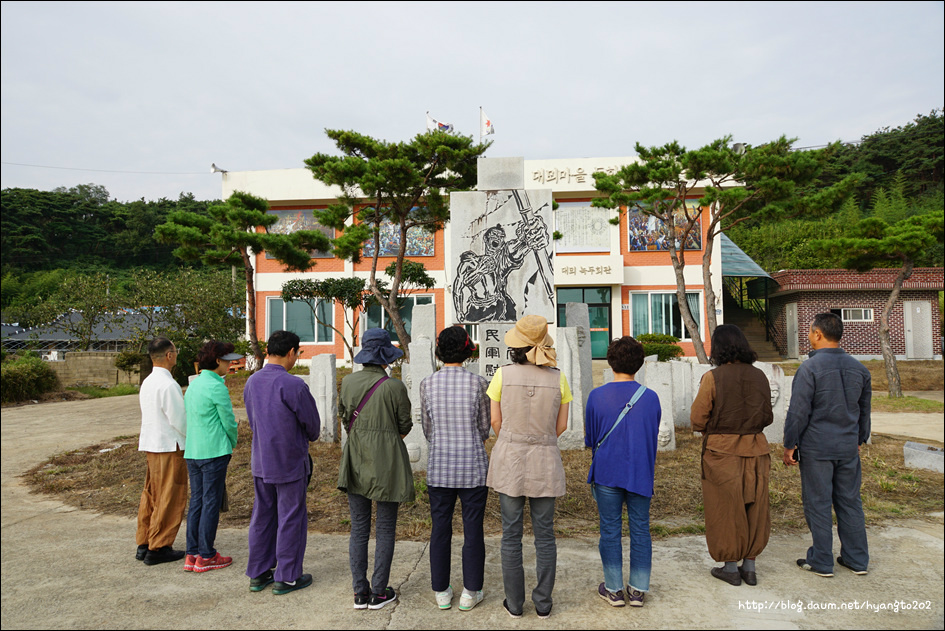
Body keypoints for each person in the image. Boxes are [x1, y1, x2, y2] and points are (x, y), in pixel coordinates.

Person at [486, 315, 571, 619]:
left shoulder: (502, 375)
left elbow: (496, 421)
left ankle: (514, 603)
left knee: (511, 535)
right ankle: (544, 603)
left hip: (510, 458)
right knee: (545, 535)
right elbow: (561, 426)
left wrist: (512, 440)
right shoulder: (559, 377)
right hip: (545, 459)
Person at [784, 312, 871, 577]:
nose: (809, 336)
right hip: (847, 447)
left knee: (818, 503)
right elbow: (864, 412)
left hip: (817, 449)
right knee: (850, 501)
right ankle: (856, 559)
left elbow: (798, 412)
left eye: (810, 332)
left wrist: (789, 445)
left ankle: (822, 560)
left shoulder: (809, 368)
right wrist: (859, 440)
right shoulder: (860, 369)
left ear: (818, 334)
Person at [690, 324, 773, 587]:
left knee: (726, 507)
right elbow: (767, 416)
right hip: (758, 448)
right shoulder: (760, 375)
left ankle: (729, 568)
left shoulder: (713, 378)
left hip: (721, 451)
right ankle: (749, 567)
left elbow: (696, 418)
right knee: (756, 506)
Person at [338, 328, 414, 610]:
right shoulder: (394, 387)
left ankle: (360, 592)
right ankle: (379, 591)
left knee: (358, 529)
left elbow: (344, 417)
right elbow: (404, 426)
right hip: (387, 464)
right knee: (384, 529)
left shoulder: (347, 382)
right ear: (385, 356)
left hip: (355, 460)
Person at [585, 336, 661, 607]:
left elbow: (591, 438)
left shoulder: (596, 396)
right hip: (640, 471)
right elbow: (652, 434)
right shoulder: (651, 398)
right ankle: (638, 590)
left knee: (610, 529)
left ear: (610, 362)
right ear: (639, 364)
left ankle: (614, 589)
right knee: (641, 529)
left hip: (607, 471)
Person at [244, 330, 321, 595]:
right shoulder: (294, 385)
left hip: (261, 460)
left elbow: (253, 420)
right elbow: (312, 427)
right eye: (297, 354)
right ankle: (287, 576)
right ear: (291, 353)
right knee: (290, 518)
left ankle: (258, 572)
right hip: (288, 461)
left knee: (262, 517)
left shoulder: (252, 382)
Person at [420, 326, 491, 611]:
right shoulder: (478, 383)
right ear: (466, 351)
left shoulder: (427, 383)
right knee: (473, 530)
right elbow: (484, 427)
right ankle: (470, 591)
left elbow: (427, 428)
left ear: (439, 351)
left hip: (439, 466)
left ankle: (441, 590)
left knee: (440, 529)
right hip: (473, 466)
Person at [182, 340, 241, 573]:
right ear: (218, 361)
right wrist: (233, 441)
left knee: (196, 501)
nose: (231, 364)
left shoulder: (194, 385)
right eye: (228, 360)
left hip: (193, 450)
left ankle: (192, 553)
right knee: (210, 502)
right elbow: (228, 421)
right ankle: (206, 555)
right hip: (214, 450)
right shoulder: (217, 387)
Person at [136, 337, 188, 566]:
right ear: (169, 355)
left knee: (152, 494)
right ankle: (159, 546)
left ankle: (145, 541)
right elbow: (180, 420)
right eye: (175, 351)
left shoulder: (148, 382)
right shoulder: (169, 385)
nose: (176, 355)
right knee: (170, 495)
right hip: (169, 446)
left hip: (152, 444)